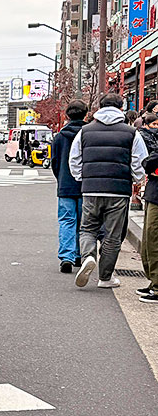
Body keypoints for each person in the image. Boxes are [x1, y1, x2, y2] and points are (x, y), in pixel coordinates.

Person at [70, 93, 149, 288]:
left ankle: (88, 256)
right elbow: (140, 161)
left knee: (87, 228)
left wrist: (82, 177)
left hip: (91, 189)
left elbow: (74, 159)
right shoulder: (131, 133)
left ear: (100, 107)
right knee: (113, 235)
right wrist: (137, 179)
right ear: (120, 108)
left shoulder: (85, 131)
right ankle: (105, 278)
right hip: (119, 190)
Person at [52, 100, 88, 273]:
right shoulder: (89, 134)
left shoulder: (59, 137)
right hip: (86, 186)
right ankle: (79, 255)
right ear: (86, 114)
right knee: (84, 223)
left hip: (66, 185)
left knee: (67, 220)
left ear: (67, 116)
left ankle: (66, 256)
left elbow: (55, 162)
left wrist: (61, 178)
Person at [138, 113, 158, 303]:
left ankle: (157, 285)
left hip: (156, 192)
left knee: (153, 238)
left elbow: (150, 162)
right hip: (153, 191)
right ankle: (153, 282)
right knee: (149, 239)